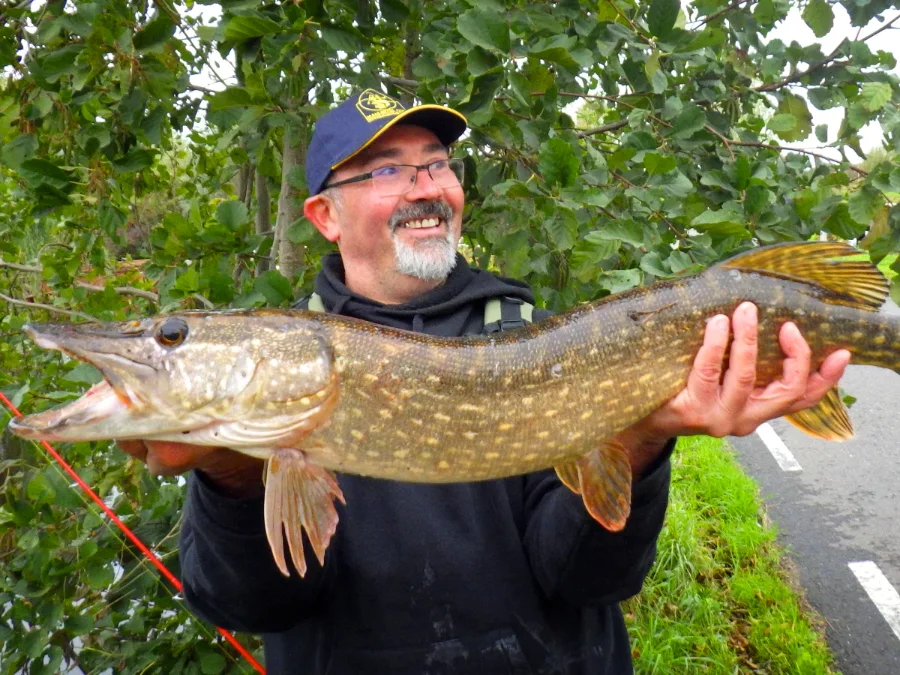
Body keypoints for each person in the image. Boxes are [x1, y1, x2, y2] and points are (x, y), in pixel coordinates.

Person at [119, 89, 850, 674]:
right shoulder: (291, 363)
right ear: (323, 215)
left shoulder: (531, 335)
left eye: (436, 164)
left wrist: (641, 434)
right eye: (386, 171)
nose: (424, 187)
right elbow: (251, 603)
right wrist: (228, 473)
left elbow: (587, 580)